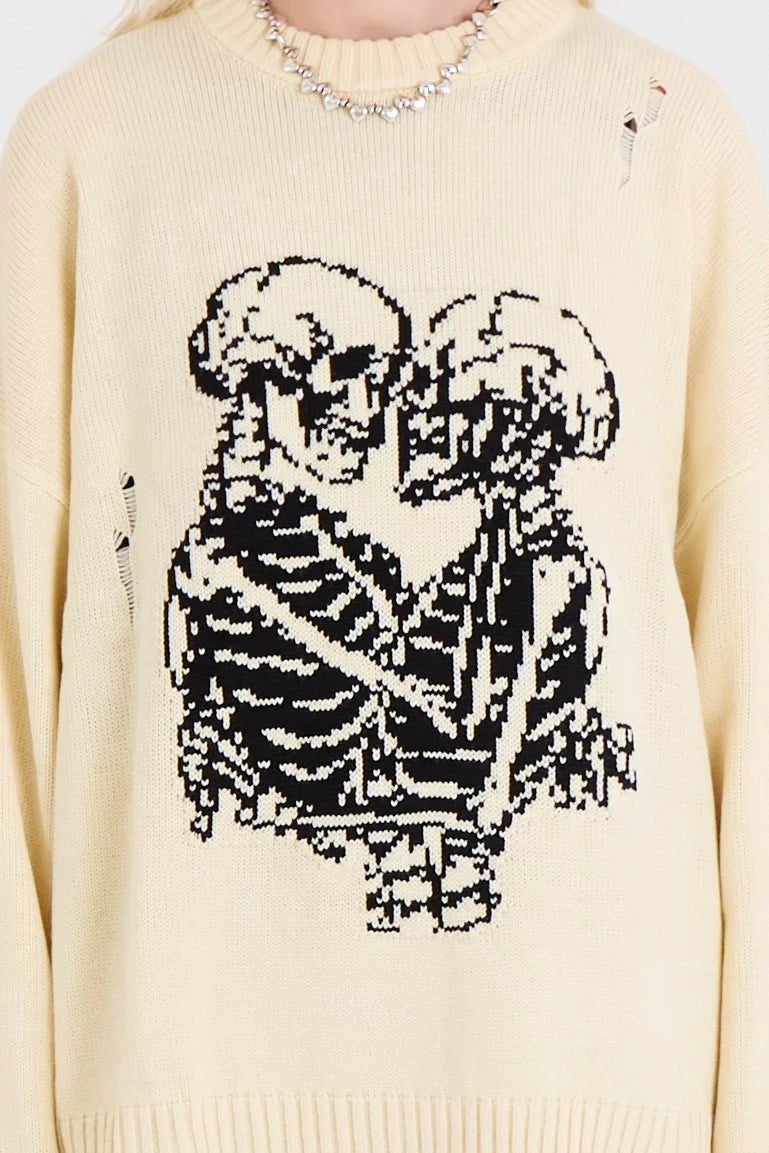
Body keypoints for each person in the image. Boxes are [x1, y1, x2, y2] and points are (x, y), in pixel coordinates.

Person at [1, 0, 767, 1151]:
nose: (379, 415)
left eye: (388, 382)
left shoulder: (665, 138)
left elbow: (751, 697)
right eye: (347, 377)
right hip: (177, 1107)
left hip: (594, 1105)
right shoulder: (88, 142)